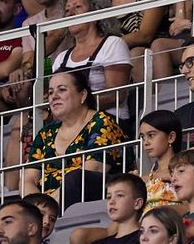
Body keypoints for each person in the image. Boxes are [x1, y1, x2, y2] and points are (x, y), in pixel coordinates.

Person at [21, 69, 125, 205]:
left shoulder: (101, 122)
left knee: (75, 178)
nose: (54, 96)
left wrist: (50, 205)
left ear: (82, 95)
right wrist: (36, 209)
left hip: (89, 199)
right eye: (51, 92)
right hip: (46, 208)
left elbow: (93, 170)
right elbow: (28, 179)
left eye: (62, 90)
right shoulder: (46, 133)